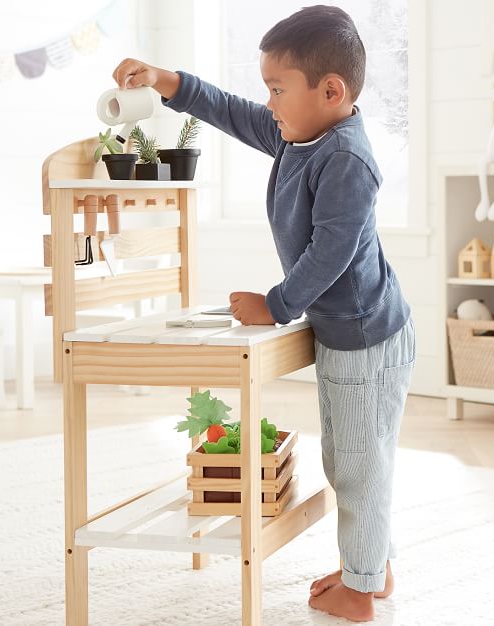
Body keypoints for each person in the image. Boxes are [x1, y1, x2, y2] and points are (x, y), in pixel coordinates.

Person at [112, 5, 414, 622]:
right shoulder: (299, 131)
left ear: (332, 92)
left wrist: (275, 304)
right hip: (354, 333)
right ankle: (370, 564)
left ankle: (361, 589)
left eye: (278, 89)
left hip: (366, 336)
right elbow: (229, 111)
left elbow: (334, 250)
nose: (269, 103)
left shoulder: (347, 161)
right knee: (357, 456)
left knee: (356, 462)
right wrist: (168, 81)